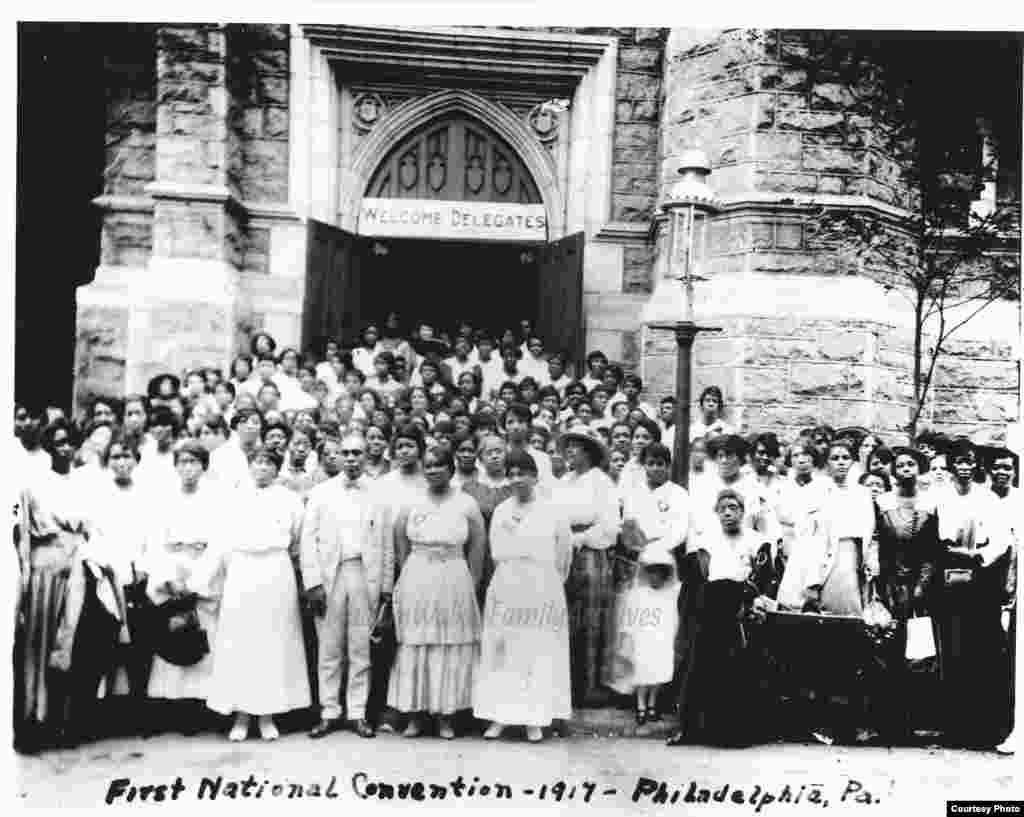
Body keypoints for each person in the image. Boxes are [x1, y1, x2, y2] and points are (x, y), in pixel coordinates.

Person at [206, 448, 310, 741]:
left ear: (277, 469)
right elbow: (222, 540)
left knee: (272, 641)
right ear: (250, 465)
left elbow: (297, 540)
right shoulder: (235, 498)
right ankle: (241, 715)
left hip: (276, 571)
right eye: (257, 462)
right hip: (242, 571)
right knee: (241, 641)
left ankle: (267, 715)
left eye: (268, 463)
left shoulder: (290, 501)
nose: (262, 467)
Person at [473, 450, 573, 743]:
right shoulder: (502, 511)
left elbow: (563, 555)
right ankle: (500, 718)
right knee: (504, 649)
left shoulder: (552, 510)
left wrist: (547, 583)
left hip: (542, 585)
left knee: (537, 650)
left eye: (522, 473)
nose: (516, 479)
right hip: (507, 583)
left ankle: (535, 719)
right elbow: (495, 551)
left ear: (534, 476)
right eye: (512, 473)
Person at [300, 432, 394, 740]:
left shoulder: (379, 494)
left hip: (363, 573)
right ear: (339, 456)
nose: (352, 458)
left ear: (367, 456)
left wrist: (385, 588)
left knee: (360, 648)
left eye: (358, 453)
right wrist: (313, 583)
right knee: (328, 648)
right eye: (347, 453)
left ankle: (356, 713)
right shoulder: (321, 492)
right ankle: (329, 711)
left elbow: (386, 544)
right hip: (330, 576)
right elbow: (308, 540)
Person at [389, 447, 487, 739]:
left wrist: (470, 583)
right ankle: (415, 716)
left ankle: (447, 716)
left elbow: (478, 548)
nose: (433, 471)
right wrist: (412, 572)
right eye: (428, 466)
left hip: (455, 576)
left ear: (451, 468)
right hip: (418, 575)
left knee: (450, 644)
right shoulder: (411, 503)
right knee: (418, 642)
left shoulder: (467, 504)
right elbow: (400, 543)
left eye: (439, 466)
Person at [667, 489, 776, 747]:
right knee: (699, 666)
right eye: (723, 508)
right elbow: (697, 578)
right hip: (711, 606)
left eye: (734, 508)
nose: (728, 513)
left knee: (737, 669)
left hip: (741, 606)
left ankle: (735, 733)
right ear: (716, 512)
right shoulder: (706, 541)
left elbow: (763, 578)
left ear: (742, 511)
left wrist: (752, 602)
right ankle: (692, 730)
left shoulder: (756, 541)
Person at [140, 440, 226, 735]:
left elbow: (219, 543)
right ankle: (171, 708)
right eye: (183, 462)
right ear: (175, 466)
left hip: (200, 570)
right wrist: (169, 578)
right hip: (172, 569)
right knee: (171, 633)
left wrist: (196, 582)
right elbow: (154, 541)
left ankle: (198, 707)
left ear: (203, 466)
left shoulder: (215, 499)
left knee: (201, 635)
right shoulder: (164, 499)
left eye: (194, 462)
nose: (188, 468)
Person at [933, 439, 1013, 748]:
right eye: (958, 462)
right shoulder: (942, 497)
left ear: (976, 465)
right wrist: (950, 552)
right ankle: (954, 728)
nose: (964, 467)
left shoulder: (987, 498)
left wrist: (978, 557)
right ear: (951, 465)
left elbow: (1002, 540)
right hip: (949, 578)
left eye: (969, 462)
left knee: (981, 652)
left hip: (981, 580)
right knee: (953, 650)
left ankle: (983, 729)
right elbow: (936, 536)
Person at [872, 446, 941, 742]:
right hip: (889, 581)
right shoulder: (882, 502)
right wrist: (877, 574)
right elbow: (876, 540)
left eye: (912, 464)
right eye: (900, 465)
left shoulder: (931, 504)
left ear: (920, 468)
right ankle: (886, 723)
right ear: (893, 470)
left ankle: (914, 722)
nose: (906, 469)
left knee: (918, 652)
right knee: (886, 648)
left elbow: (932, 549)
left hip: (920, 584)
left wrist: (921, 586)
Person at [559, 426, 621, 707]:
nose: (570, 451)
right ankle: (566, 687)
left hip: (590, 555)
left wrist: (581, 538)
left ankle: (590, 687)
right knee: (565, 618)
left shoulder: (601, 482)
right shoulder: (564, 481)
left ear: (589, 452)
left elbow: (609, 526)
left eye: (577, 446)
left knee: (590, 619)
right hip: (563, 553)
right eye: (568, 445)